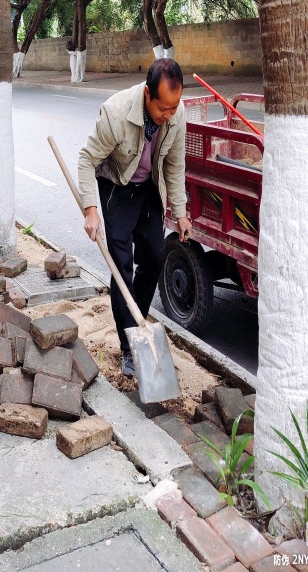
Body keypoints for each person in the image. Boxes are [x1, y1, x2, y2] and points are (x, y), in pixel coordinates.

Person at [77, 59, 192, 377]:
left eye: (174, 107)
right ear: (147, 94)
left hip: (148, 187)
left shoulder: (177, 114)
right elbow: (86, 159)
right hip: (117, 187)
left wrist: (180, 212)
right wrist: (90, 210)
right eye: (163, 108)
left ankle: (138, 326)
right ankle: (129, 346)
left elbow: (175, 164)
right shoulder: (115, 114)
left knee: (154, 257)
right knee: (121, 267)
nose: (169, 114)